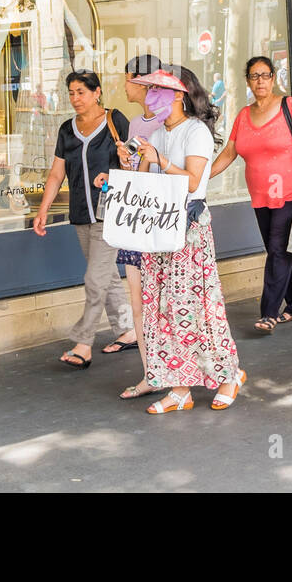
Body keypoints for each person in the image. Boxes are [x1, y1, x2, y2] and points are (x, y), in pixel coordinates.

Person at [120, 67, 245, 413]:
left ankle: (229, 375)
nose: (150, 96)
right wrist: (131, 163)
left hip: (188, 229)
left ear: (179, 94)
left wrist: (159, 159)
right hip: (158, 229)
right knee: (163, 308)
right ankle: (179, 389)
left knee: (201, 306)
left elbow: (192, 182)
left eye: (157, 90)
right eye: (149, 90)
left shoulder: (197, 132)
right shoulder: (157, 133)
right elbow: (143, 182)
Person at [34, 70, 135, 369]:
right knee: (105, 277)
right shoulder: (67, 129)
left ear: (97, 92)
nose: (75, 99)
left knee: (94, 279)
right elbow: (56, 174)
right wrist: (43, 210)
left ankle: (83, 342)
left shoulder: (116, 121)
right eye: (72, 93)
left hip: (111, 213)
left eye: (81, 92)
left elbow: (136, 163)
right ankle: (127, 330)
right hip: (81, 214)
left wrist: (113, 176)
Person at [210, 56, 292, 333]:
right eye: (254, 76)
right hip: (260, 196)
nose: (260, 81)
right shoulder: (244, 115)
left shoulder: (289, 106)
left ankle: (269, 312)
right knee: (278, 250)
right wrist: (200, 176)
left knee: (279, 250)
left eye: (265, 75)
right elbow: (230, 153)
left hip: (289, 192)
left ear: (273, 78)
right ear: (247, 81)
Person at [113, 55, 170, 395]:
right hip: (136, 221)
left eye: (128, 78)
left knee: (169, 300)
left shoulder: (172, 123)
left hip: (163, 223)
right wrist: (122, 166)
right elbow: (136, 174)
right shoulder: (135, 125)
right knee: (137, 301)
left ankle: (181, 370)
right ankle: (151, 374)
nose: (124, 85)